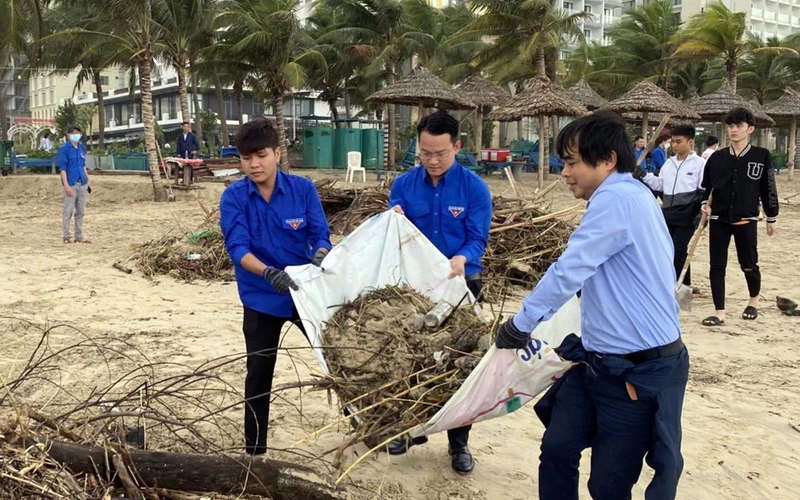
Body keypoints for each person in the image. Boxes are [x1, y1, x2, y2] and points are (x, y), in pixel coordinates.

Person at [494, 111, 689, 500]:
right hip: (597, 362)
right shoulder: (633, 194)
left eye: (571, 162)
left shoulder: (616, 199)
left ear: (607, 160)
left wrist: (521, 325)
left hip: (638, 370)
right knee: (558, 448)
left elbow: (568, 271)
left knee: (608, 485)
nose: (564, 172)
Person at [388, 109, 492, 475]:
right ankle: (404, 428)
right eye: (425, 153)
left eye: (440, 154)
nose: (432, 161)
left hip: (462, 284)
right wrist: (394, 218)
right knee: (407, 357)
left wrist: (463, 257)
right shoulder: (403, 185)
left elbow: (478, 238)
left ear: (457, 147)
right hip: (415, 290)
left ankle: (459, 443)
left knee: (458, 365)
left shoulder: (474, 188)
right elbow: (393, 236)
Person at [219, 118, 331, 455]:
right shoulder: (234, 197)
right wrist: (268, 273)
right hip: (261, 297)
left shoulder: (303, 190)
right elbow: (238, 249)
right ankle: (255, 449)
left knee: (337, 356)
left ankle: (361, 421)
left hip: (305, 293)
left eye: (261, 155)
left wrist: (321, 253)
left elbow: (319, 234)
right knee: (259, 371)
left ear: (277, 154)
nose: (254, 164)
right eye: (246, 158)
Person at [700, 107, 778, 326]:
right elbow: (706, 189)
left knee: (749, 264)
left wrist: (772, 217)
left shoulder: (761, 156)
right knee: (717, 266)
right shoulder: (717, 158)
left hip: (746, 219)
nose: (734, 130)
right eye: (731, 126)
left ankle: (753, 301)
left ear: (750, 129)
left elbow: (768, 188)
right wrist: (705, 205)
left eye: (739, 126)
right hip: (718, 219)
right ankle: (720, 312)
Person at [635, 124, 705, 288]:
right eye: (672, 141)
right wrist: (643, 175)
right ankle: (682, 282)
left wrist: (700, 214)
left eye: (678, 141)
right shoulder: (669, 163)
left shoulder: (700, 164)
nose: (674, 145)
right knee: (666, 247)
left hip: (688, 214)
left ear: (690, 142)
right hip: (667, 212)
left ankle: (678, 285)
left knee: (679, 248)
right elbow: (660, 185)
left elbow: (704, 190)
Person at [58, 125, 91, 244]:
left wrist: (87, 178)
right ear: (68, 135)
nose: (75, 135)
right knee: (68, 211)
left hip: (82, 182)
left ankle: (79, 235)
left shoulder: (81, 147)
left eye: (77, 133)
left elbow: (82, 165)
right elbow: (62, 168)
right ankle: (66, 236)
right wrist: (66, 184)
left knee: (80, 211)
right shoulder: (64, 149)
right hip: (71, 182)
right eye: (73, 133)